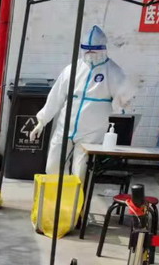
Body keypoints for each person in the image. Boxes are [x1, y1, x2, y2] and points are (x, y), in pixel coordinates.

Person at [30, 25, 135, 183]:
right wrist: (41, 121)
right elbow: (56, 97)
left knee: (80, 173)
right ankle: (57, 197)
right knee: (52, 168)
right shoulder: (72, 69)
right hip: (65, 128)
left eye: (94, 51)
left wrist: (120, 113)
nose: (90, 54)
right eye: (87, 51)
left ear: (103, 49)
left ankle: (76, 198)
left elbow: (125, 103)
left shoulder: (114, 73)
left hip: (91, 132)